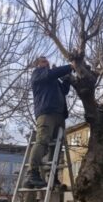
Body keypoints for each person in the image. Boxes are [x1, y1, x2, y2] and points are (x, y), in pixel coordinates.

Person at [23, 56, 73, 188]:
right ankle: (31, 173)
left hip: (59, 115)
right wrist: (70, 66)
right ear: (37, 65)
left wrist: (67, 79)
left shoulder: (53, 80)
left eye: (48, 61)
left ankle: (52, 177)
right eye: (44, 61)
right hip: (46, 113)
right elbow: (52, 73)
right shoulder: (38, 74)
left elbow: (64, 91)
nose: (47, 63)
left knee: (55, 147)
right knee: (43, 140)